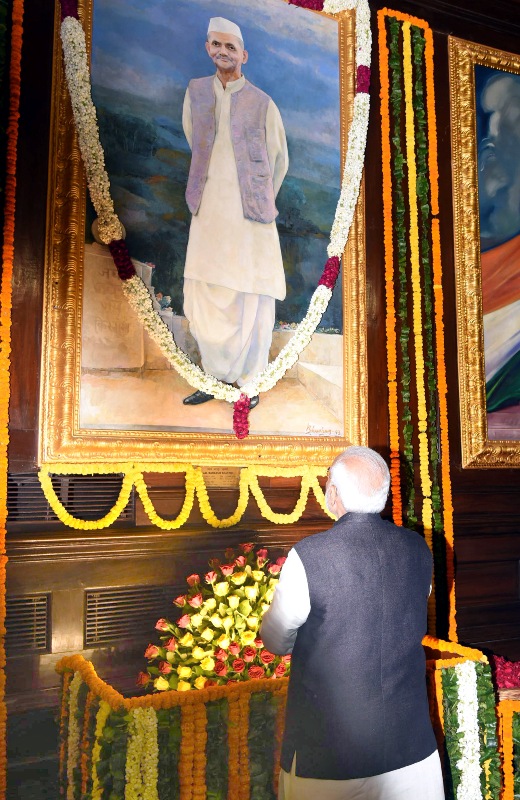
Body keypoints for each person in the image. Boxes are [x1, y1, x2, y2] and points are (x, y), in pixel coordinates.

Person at [260, 446, 445, 800]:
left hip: (328, 753)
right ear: (385, 494)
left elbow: (276, 639)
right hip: (409, 747)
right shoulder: (418, 548)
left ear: (332, 492)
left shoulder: (309, 556)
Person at [181, 17, 289, 408]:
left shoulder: (263, 103)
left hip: (250, 218)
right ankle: (211, 378)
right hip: (209, 210)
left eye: (230, 47)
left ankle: (249, 382)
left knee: (251, 295)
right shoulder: (195, 92)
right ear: (208, 48)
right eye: (215, 45)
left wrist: (255, 198)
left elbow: (279, 162)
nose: (222, 52)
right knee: (204, 292)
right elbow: (195, 140)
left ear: (243, 54)